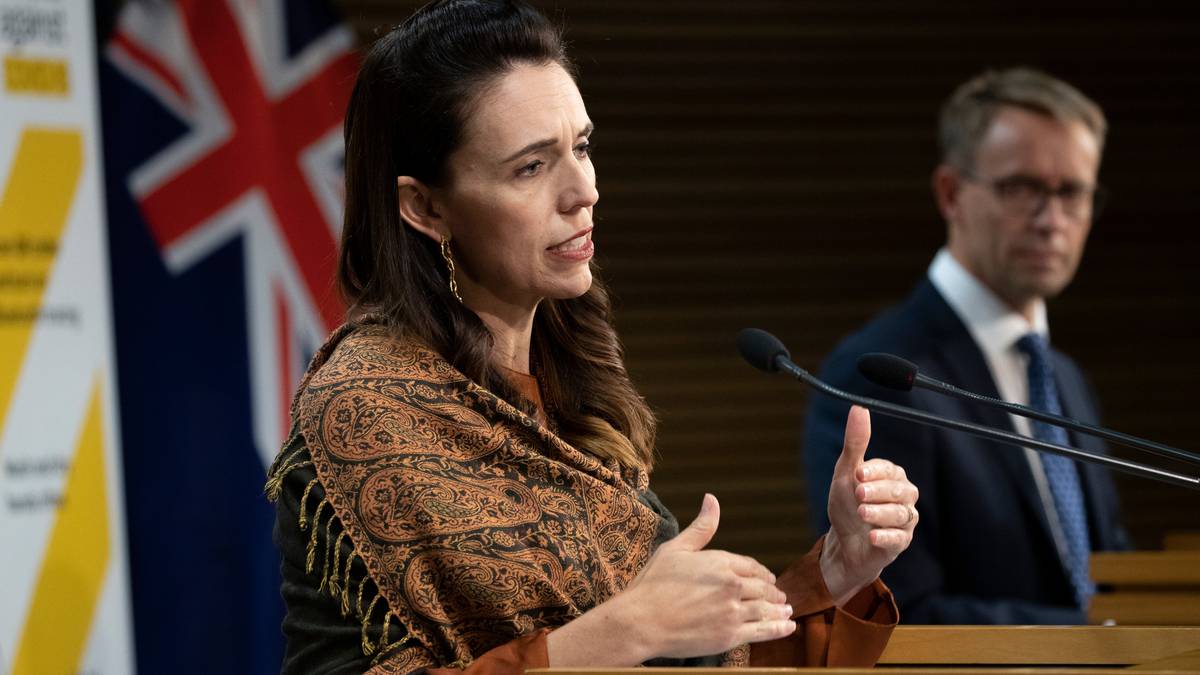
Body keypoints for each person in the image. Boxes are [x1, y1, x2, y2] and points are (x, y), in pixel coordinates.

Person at [266, 1, 919, 673]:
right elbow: (634, 638)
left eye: (581, 146)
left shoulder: (570, 372)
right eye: (531, 166)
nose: (584, 190)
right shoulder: (363, 407)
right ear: (426, 207)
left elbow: (695, 661)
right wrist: (624, 629)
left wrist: (838, 567)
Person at [802, 67, 1129, 625]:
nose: (1051, 220)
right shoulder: (881, 374)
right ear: (951, 193)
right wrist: (1104, 638)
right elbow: (902, 611)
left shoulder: (1064, 376)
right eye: (1022, 188)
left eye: (1072, 192)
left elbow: (1108, 572)